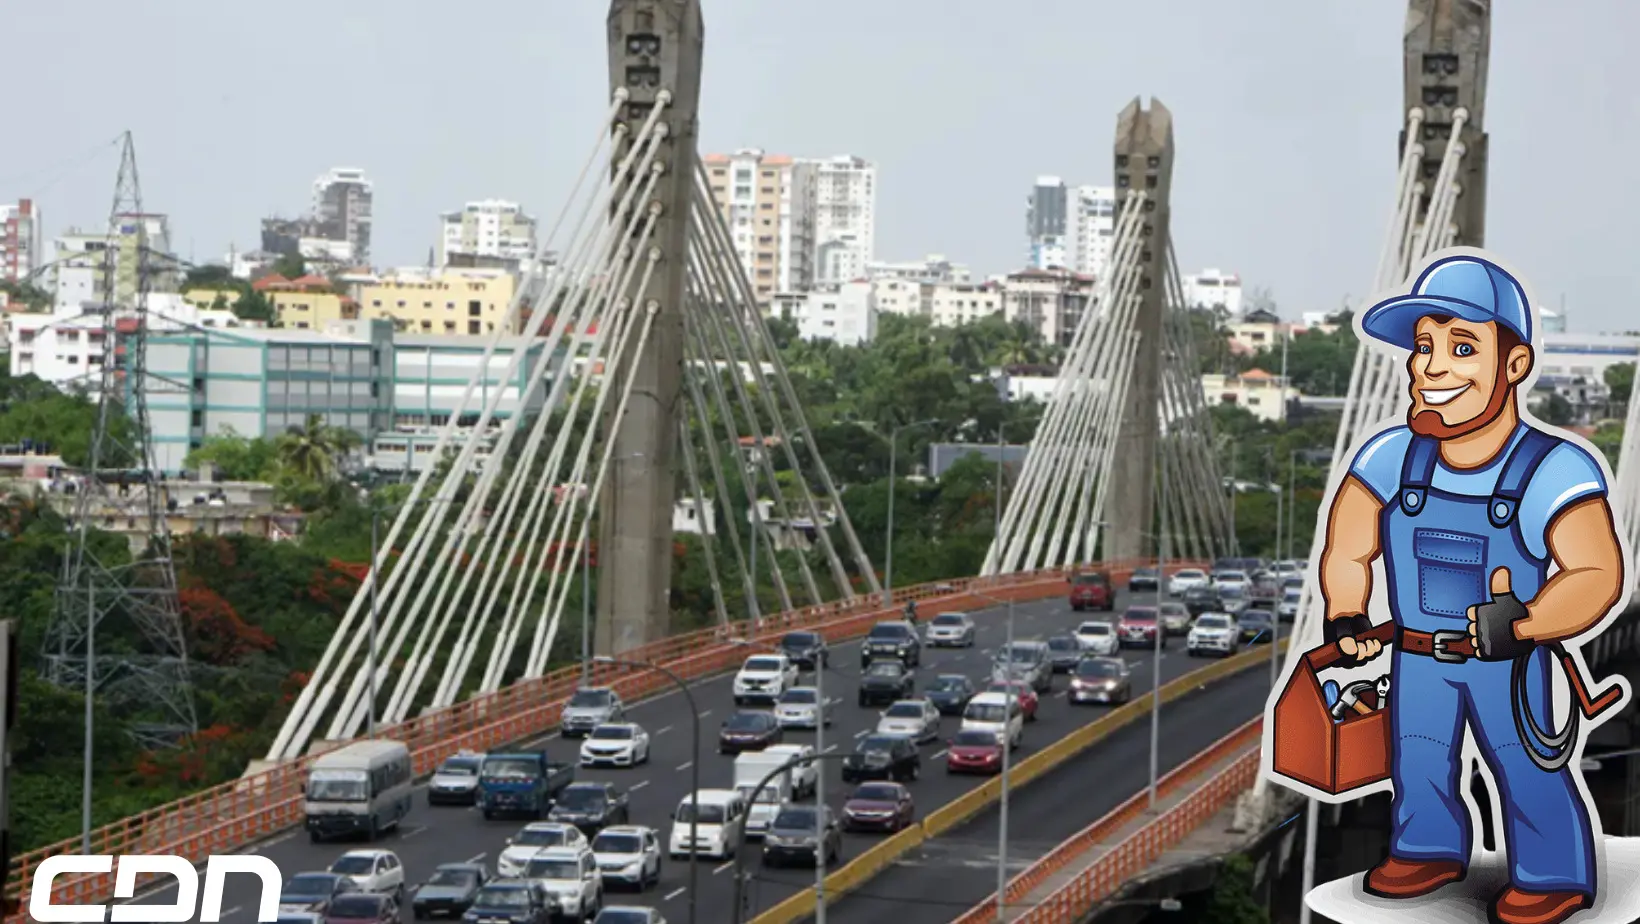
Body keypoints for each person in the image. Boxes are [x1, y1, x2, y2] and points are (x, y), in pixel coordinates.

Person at [1317, 254, 1626, 924]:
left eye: (1462, 348)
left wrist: (1529, 623)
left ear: (1515, 365)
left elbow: (1598, 572)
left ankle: (1552, 871)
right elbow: (1349, 545)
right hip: (1418, 655)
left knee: (1525, 764)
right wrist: (1345, 611)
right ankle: (1426, 846)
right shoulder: (1389, 458)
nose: (1432, 368)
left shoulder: (1553, 468)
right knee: (1417, 754)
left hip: (1508, 661)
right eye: (1424, 347)